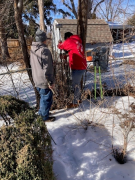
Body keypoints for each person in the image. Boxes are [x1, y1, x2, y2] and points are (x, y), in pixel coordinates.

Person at [30, 29, 55, 122]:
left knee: (43, 97)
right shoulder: (44, 50)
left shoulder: (33, 49)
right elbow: (47, 68)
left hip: (36, 78)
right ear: (43, 39)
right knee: (46, 99)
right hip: (44, 79)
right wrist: (50, 81)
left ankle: (43, 112)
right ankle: (44, 117)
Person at [57, 32, 87, 108]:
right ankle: (78, 99)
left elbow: (61, 46)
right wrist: (66, 55)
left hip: (78, 67)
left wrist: (60, 43)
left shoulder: (71, 40)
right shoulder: (77, 41)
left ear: (67, 37)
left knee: (75, 85)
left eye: (65, 39)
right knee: (77, 84)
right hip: (82, 66)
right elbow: (74, 51)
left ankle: (75, 102)